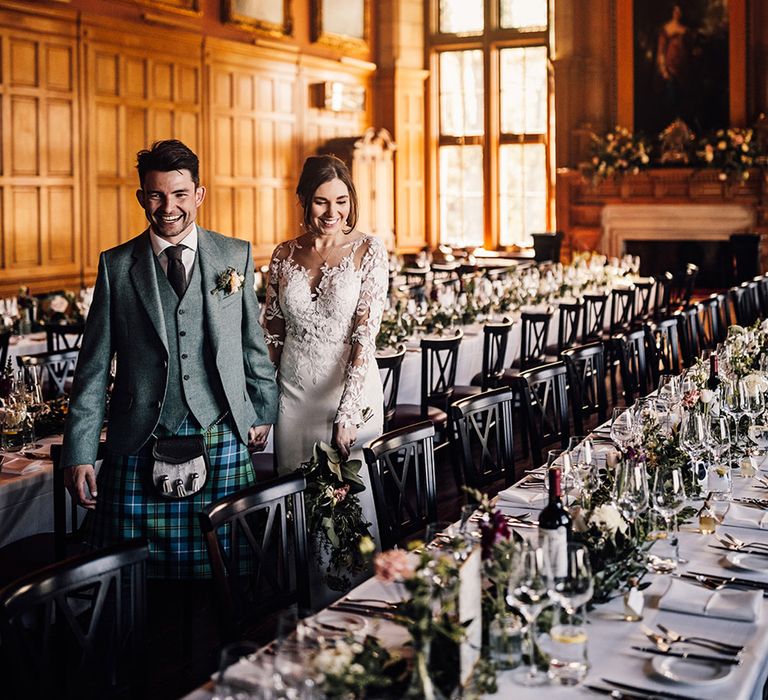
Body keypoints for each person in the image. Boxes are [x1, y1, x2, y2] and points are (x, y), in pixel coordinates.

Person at [61, 139, 278, 580]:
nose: (168, 207)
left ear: (198, 194)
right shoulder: (116, 265)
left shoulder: (234, 254)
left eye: (179, 194)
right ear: (142, 197)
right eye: (156, 195)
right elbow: (93, 368)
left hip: (221, 430)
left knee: (227, 565)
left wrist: (262, 408)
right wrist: (79, 451)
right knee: (130, 577)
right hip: (139, 436)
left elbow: (251, 342)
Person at [263, 154, 387, 605]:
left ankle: (357, 603)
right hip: (293, 400)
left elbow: (364, 337)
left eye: (341, 201)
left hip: (348, 397)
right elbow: (271, 336)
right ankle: (307, 608)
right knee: (300, 507)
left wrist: (348, 412)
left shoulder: (369, 251)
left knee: (347, 505)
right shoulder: (282, 255)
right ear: (302, 201)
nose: (332, 213)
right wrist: (262, 407)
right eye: (320, 202)